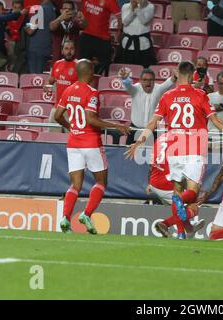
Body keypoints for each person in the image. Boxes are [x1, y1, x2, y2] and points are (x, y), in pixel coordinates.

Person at [125, 61, 223, 239]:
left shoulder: (167, 96)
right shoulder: (200, 95)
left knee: (178, 190)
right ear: (193, 73)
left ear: (177, 73)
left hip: (173, 151)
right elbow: (216, 121)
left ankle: (180, 233)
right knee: (192, 193)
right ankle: (180, 207)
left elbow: (152, 122)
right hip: (193, 149)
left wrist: (139, 141)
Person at [54, 59, 131, 234]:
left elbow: (57, 116)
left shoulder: (68, 90)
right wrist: (117, 126)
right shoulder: (92, 92)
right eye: (93, 70)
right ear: (88, 71)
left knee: (75, 185)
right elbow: (91, 119)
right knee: (101, 181)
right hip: (90, 142)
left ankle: (66, 217)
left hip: (73, 142)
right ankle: (86, 214)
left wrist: (71, 126)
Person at [148, 132, 206, 238]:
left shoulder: (159, 139)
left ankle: (188, 229)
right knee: (193, 207)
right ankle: (167, 225)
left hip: (154, 182)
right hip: (166, 183)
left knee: (180, 206)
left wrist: (149, 182)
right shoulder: (182, 139)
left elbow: (151, 164)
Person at [119, 68, 176, 145]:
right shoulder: (135, 89)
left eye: (150, 80)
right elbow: (128, 86)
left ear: (154, 81)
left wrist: (176, 75)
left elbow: (169, 82)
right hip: (135, 130)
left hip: (153, 131)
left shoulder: (158, 89)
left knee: (154, 155)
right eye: (145, 80)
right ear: (140, 80)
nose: (148, 82)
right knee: (130, 155)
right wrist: (126, 79)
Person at [80, 0, 120, 76]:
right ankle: (82, 85)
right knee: (83, 65)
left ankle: (102, 85)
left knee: (104, 67)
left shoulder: (111, 1)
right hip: (86, 36)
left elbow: (119, 16)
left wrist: (119, 33)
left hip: (102, 39)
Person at [47, 40, 78, 133]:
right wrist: (48, 85)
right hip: (57, 107)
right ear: (62, 50)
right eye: (66, 48)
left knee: (71, 138)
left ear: (75, 50)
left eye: (71, 49)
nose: (69, 51)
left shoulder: (79, 65)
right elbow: (49, 82)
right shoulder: (57, 64)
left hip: (72, 109)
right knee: (52, 138)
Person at [120, 0, 156, 68]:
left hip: (143, 45)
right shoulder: (125, 6)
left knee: (142, 68)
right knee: (127, 69)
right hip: (127, 45)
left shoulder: (150, 7)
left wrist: (136, 8)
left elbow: (144, 20)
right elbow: (125, 22)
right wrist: (132, 11)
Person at [24, 0, 56, 73]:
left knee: (34, 79)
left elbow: (30, 30)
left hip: (36, 49)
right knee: (40, 78)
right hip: (46, 47)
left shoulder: (40, 9)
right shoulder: (52, 9)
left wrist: (25, 25)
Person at [6, 0, 27, 73]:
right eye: (15, 7)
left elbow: (28, 27)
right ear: (12, 7)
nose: (17, 10)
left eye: (19, 8)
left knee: (19, 63)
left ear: (22, 8)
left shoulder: (25, 17)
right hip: (9, 42)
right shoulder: (7, 16)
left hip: (21, 44)